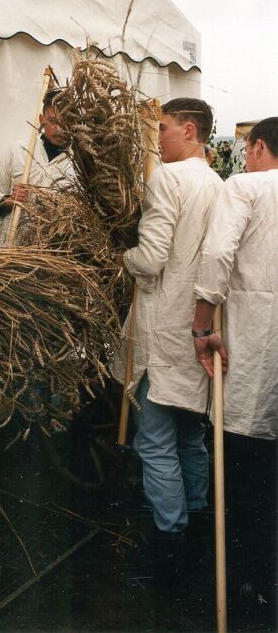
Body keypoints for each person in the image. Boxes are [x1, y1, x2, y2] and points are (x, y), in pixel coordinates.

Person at [111, 98, 222, 555]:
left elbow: (152, 258)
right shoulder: (218, 183)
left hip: (162, 330)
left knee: (155, 441)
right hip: (198, 331)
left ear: (189, 131)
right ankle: (196, 517)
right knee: (191, 435)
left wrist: (123, 256)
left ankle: (169, 535)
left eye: (163, 128)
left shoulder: (167, 178)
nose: (157, 138)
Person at [193, 116, 278, 609]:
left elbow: (218, 254)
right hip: (260, 334)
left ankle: (247, 581)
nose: (244, 156)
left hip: (257, 340)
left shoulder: (244, 187)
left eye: (247, 148)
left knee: (245, 467)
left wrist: (201, 327)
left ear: (259, 146)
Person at [0, 90, 74, 244]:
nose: (59, 129)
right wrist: (9, 200)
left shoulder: (79, 163)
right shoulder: (19, 151)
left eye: (65, 122)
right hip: (15, 248)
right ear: (41, 120)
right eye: (52, 121)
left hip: (57, 249)